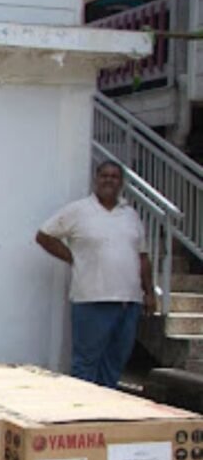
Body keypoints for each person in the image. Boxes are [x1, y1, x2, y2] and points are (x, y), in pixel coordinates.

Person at [35, 159, 155, 388]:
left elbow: (142, 256)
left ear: (121, 183)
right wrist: (73, 257)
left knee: (115, 362)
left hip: (128, 302)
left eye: (114, 176)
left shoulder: (130, 215)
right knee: (85, 364)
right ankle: (81, 416)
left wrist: (149, 292)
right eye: (104, 175)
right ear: (96, 179)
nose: (109, 180)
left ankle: (106, 413)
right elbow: (44, 236)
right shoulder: (79, 210)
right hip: (92, 300)